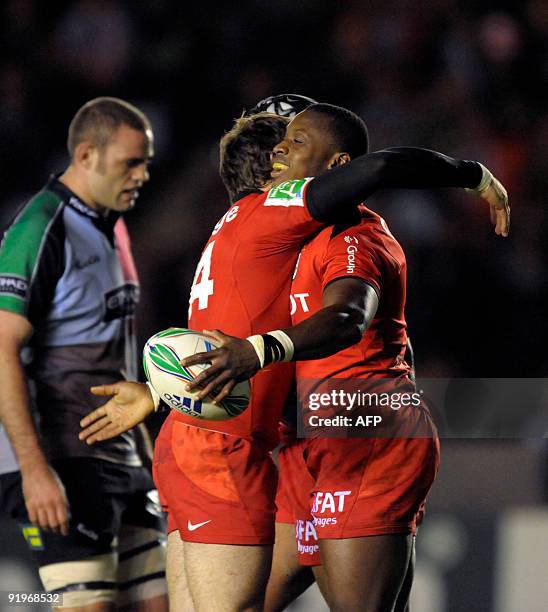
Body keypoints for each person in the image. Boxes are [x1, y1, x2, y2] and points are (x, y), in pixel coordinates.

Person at [79, 100, 509, 611]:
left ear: (336, 168)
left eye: (297, 141)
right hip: (303, 444)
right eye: (282, 141)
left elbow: (346, 318)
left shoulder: (354, 235)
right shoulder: (281, 235)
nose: (283, 150)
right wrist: (160, 390)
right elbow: (235, 332)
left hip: (362, 433)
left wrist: (475, 176)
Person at [0, 97, 168, 611]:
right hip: (62, 459)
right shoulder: (40, 227)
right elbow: (1, 349)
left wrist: (147, 453)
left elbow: (113, 352)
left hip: (123, 459)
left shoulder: (112, 222)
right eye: (130, 163)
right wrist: (33, 469)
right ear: (87, 155)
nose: (141, 175)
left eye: (146, 163)